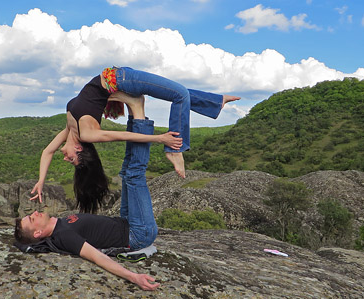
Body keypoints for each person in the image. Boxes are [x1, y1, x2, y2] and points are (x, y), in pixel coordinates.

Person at [30, 66, 240, 213]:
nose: (66, 159)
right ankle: (176, 149)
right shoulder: (87, 134)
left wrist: (41, 181)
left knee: (175, 92)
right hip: (121, 79)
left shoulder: (70, 129)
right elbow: (123, 135)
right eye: (73, 161)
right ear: (79, 149)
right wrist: (159, 138)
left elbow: (46, 152)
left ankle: (215, 102)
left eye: (70, 162)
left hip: (119, 77)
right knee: (179, 94)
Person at [16, 105, 160, 290]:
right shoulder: (63, 236)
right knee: (134, 175)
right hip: (138, 234)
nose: (34, 212)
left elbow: (22, 241)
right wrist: (133, 277)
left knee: (125, 173)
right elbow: (97, 257)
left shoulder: (61, 224)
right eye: (31, 219)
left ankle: (135, 117)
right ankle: (140, 120)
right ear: (37, 233)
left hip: (126, 222)